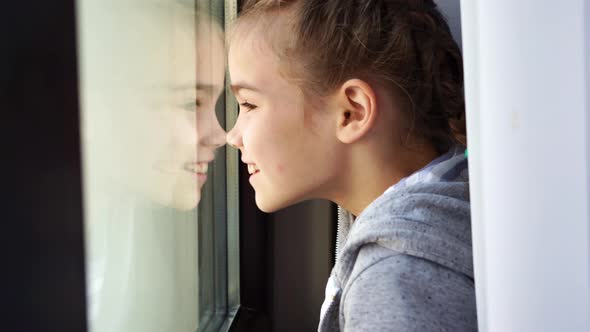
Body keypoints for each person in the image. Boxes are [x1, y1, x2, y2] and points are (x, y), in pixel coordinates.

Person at [226, 0, 477, 331]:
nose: (233, 136)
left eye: (249, 104)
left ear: (352, 111)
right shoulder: (453, 197)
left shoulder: (393, 282)